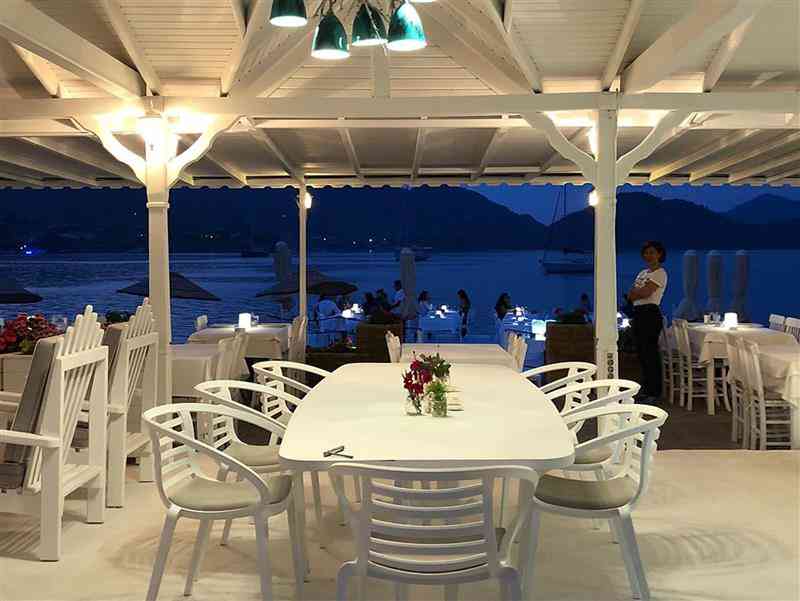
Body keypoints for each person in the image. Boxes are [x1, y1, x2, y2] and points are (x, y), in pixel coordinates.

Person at [626, 241, 668, 401]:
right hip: (638, 313)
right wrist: (636, 293)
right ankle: (646, 388)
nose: (648, 255)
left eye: (652, 252)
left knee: (650, 353)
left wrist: (636, 293)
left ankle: (654, 392)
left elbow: (646, 293)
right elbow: (631, 294)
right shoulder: (642, 273)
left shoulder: (660, 273)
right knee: (642, 353)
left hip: (650, 313)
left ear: (659, 254)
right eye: (646, 252)